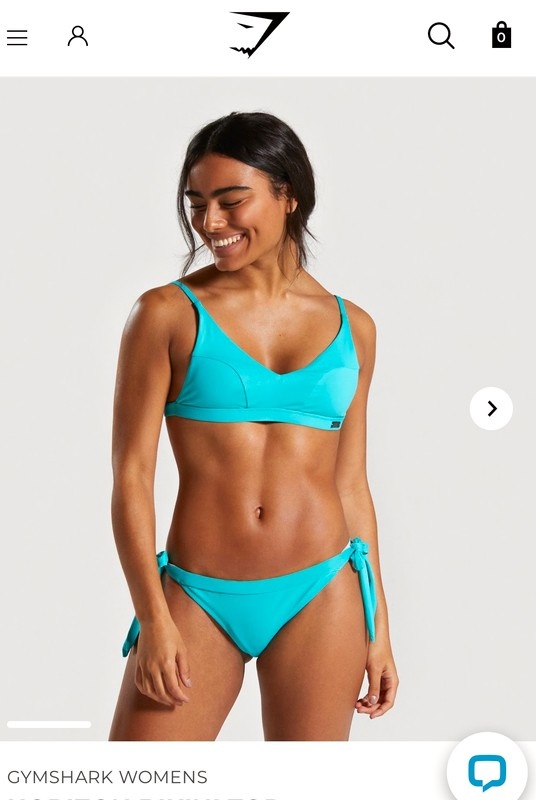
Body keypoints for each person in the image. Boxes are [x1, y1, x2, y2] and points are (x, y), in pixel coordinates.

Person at [108, 111, 398, 741]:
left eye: (231, 201)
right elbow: (132, 475)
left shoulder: (355, 329)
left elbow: (351, 484)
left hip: (322, 590)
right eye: (197, 204)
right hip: (198, 595)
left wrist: (379, 629)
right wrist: (152, 617)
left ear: (288, 195)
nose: (211, 223)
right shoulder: (166, 314)